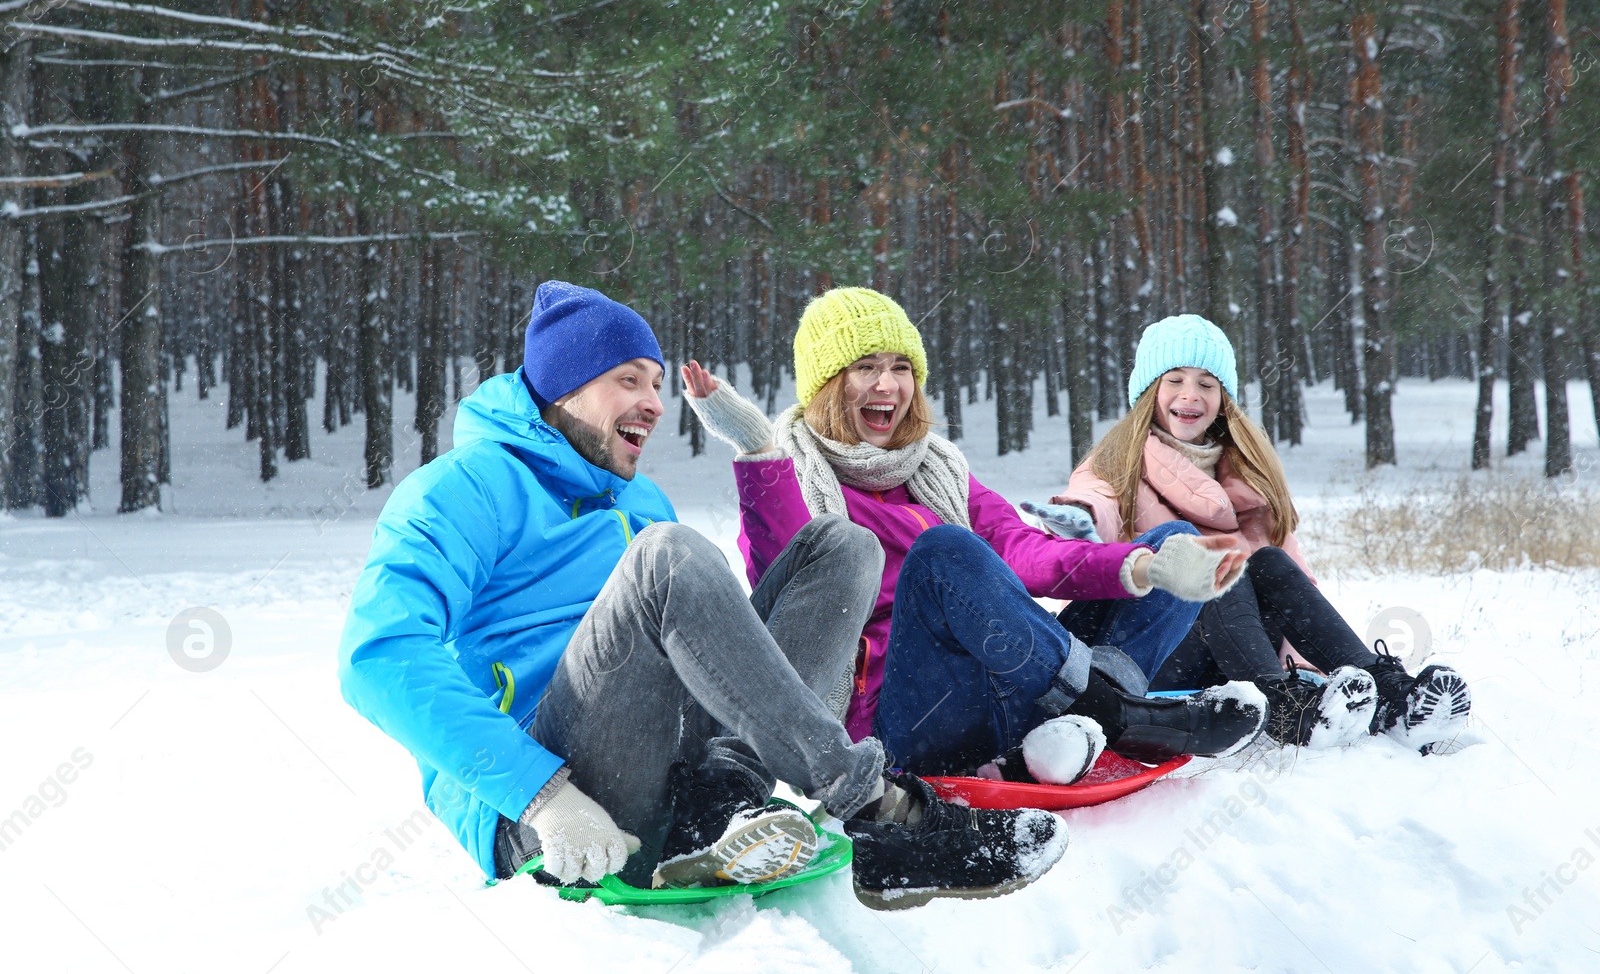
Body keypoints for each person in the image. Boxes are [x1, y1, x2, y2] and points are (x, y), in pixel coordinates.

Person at [338, 281, 1069, 911]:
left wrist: (763, 460)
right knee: (667, 557)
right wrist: (538, 794)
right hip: (553, 800)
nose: (654, 402)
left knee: (844, 547)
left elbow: (729, 645)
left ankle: (725, 800)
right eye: (628, 379)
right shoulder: (465, 485)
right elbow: (378, 654)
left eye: (657, 382)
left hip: (671, 772)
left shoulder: (642, 498)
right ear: (564, 388)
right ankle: (878, 811)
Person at [683, 287, 1266, 789]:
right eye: (865, 367)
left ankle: (1057, 739)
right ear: (828, 385)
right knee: (942, 555)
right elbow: (782, 583)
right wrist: (761, 456)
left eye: (901, 367)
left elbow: (1022, 552)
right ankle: (1111, 711)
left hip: (1002, 686)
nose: (888, 384)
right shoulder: (798, 481)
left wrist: (1141, 567)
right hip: (899, 721)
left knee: (1169, 539)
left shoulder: (938, 471)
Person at [1048, 314, 1472, 754]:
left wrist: (1309, 668)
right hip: (1150, 654)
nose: (1190, 394)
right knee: (1211, 562)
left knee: (1266, 562)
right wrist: (1079, 515)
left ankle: (1393, 699)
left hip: (1237, 654)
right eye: (1174, 379)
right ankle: (1285, 710)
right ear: (1148, 390)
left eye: (1207, 383)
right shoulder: (1114, 461)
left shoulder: (1247, 469)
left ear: (1223, 398)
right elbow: (1092, 499)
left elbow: (1294, 585)